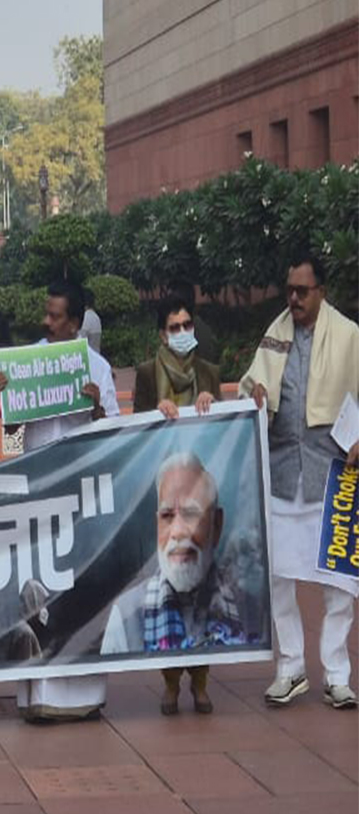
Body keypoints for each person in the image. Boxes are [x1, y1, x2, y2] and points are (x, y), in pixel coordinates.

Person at [0, 281, 121, 723]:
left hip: (81, 495)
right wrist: (3, 396)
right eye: (45, 315)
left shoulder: (97, 369)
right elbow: (11, 432)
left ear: (75, 323)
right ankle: (38, 693)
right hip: (38, 488)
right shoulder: (27, 363)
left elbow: (115, 435)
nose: (46, 323)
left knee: (81, 588)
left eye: (55, 317)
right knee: (37, 587)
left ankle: (82, 695)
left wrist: (96, 411)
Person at [238, 253, 359, 710]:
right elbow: (250, 383)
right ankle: (290, 668)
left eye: (302, 291)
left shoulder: (349, 336)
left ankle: (337, 675)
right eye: (289, 290)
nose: (293, 298)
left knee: (338, 583)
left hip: (334, 475)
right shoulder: (276, 334)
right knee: (278, 576)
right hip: (283, 471)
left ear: (321, 292)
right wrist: (256, 394)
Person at [133, 296, 222, 714]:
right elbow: (136, 428)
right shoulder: (148, 375)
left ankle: (201, 682)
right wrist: (156, 411)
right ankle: (170, 682)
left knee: (202, 589)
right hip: (167, 492)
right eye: (175, 327)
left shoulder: (208, 372)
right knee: (168, 589)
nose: (183, 333)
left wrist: (211, 405)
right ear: (162, 334)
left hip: (200, 494)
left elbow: (228, 426)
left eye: (188, 325)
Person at [102, 452, 252, 658]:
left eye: (191, 514)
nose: (178, 531)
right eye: (167, 516)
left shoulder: (250, 610)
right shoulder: (126, 616)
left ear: (216, 525)